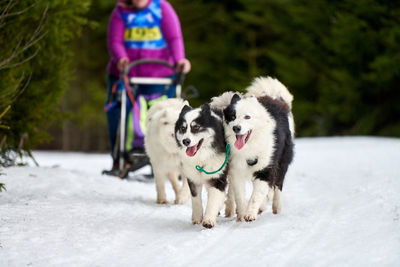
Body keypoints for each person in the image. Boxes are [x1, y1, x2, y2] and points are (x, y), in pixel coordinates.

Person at [105, 0, 191, 174]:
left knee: (168, 116)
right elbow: (115, 41)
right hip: (126, 75)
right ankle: (119, 158)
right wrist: (121, 58)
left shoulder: (161, 8)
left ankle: (170, 159)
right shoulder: (120, 11)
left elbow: (174, 37)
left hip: (161, 76)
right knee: (118, 112)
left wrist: (180, 59)